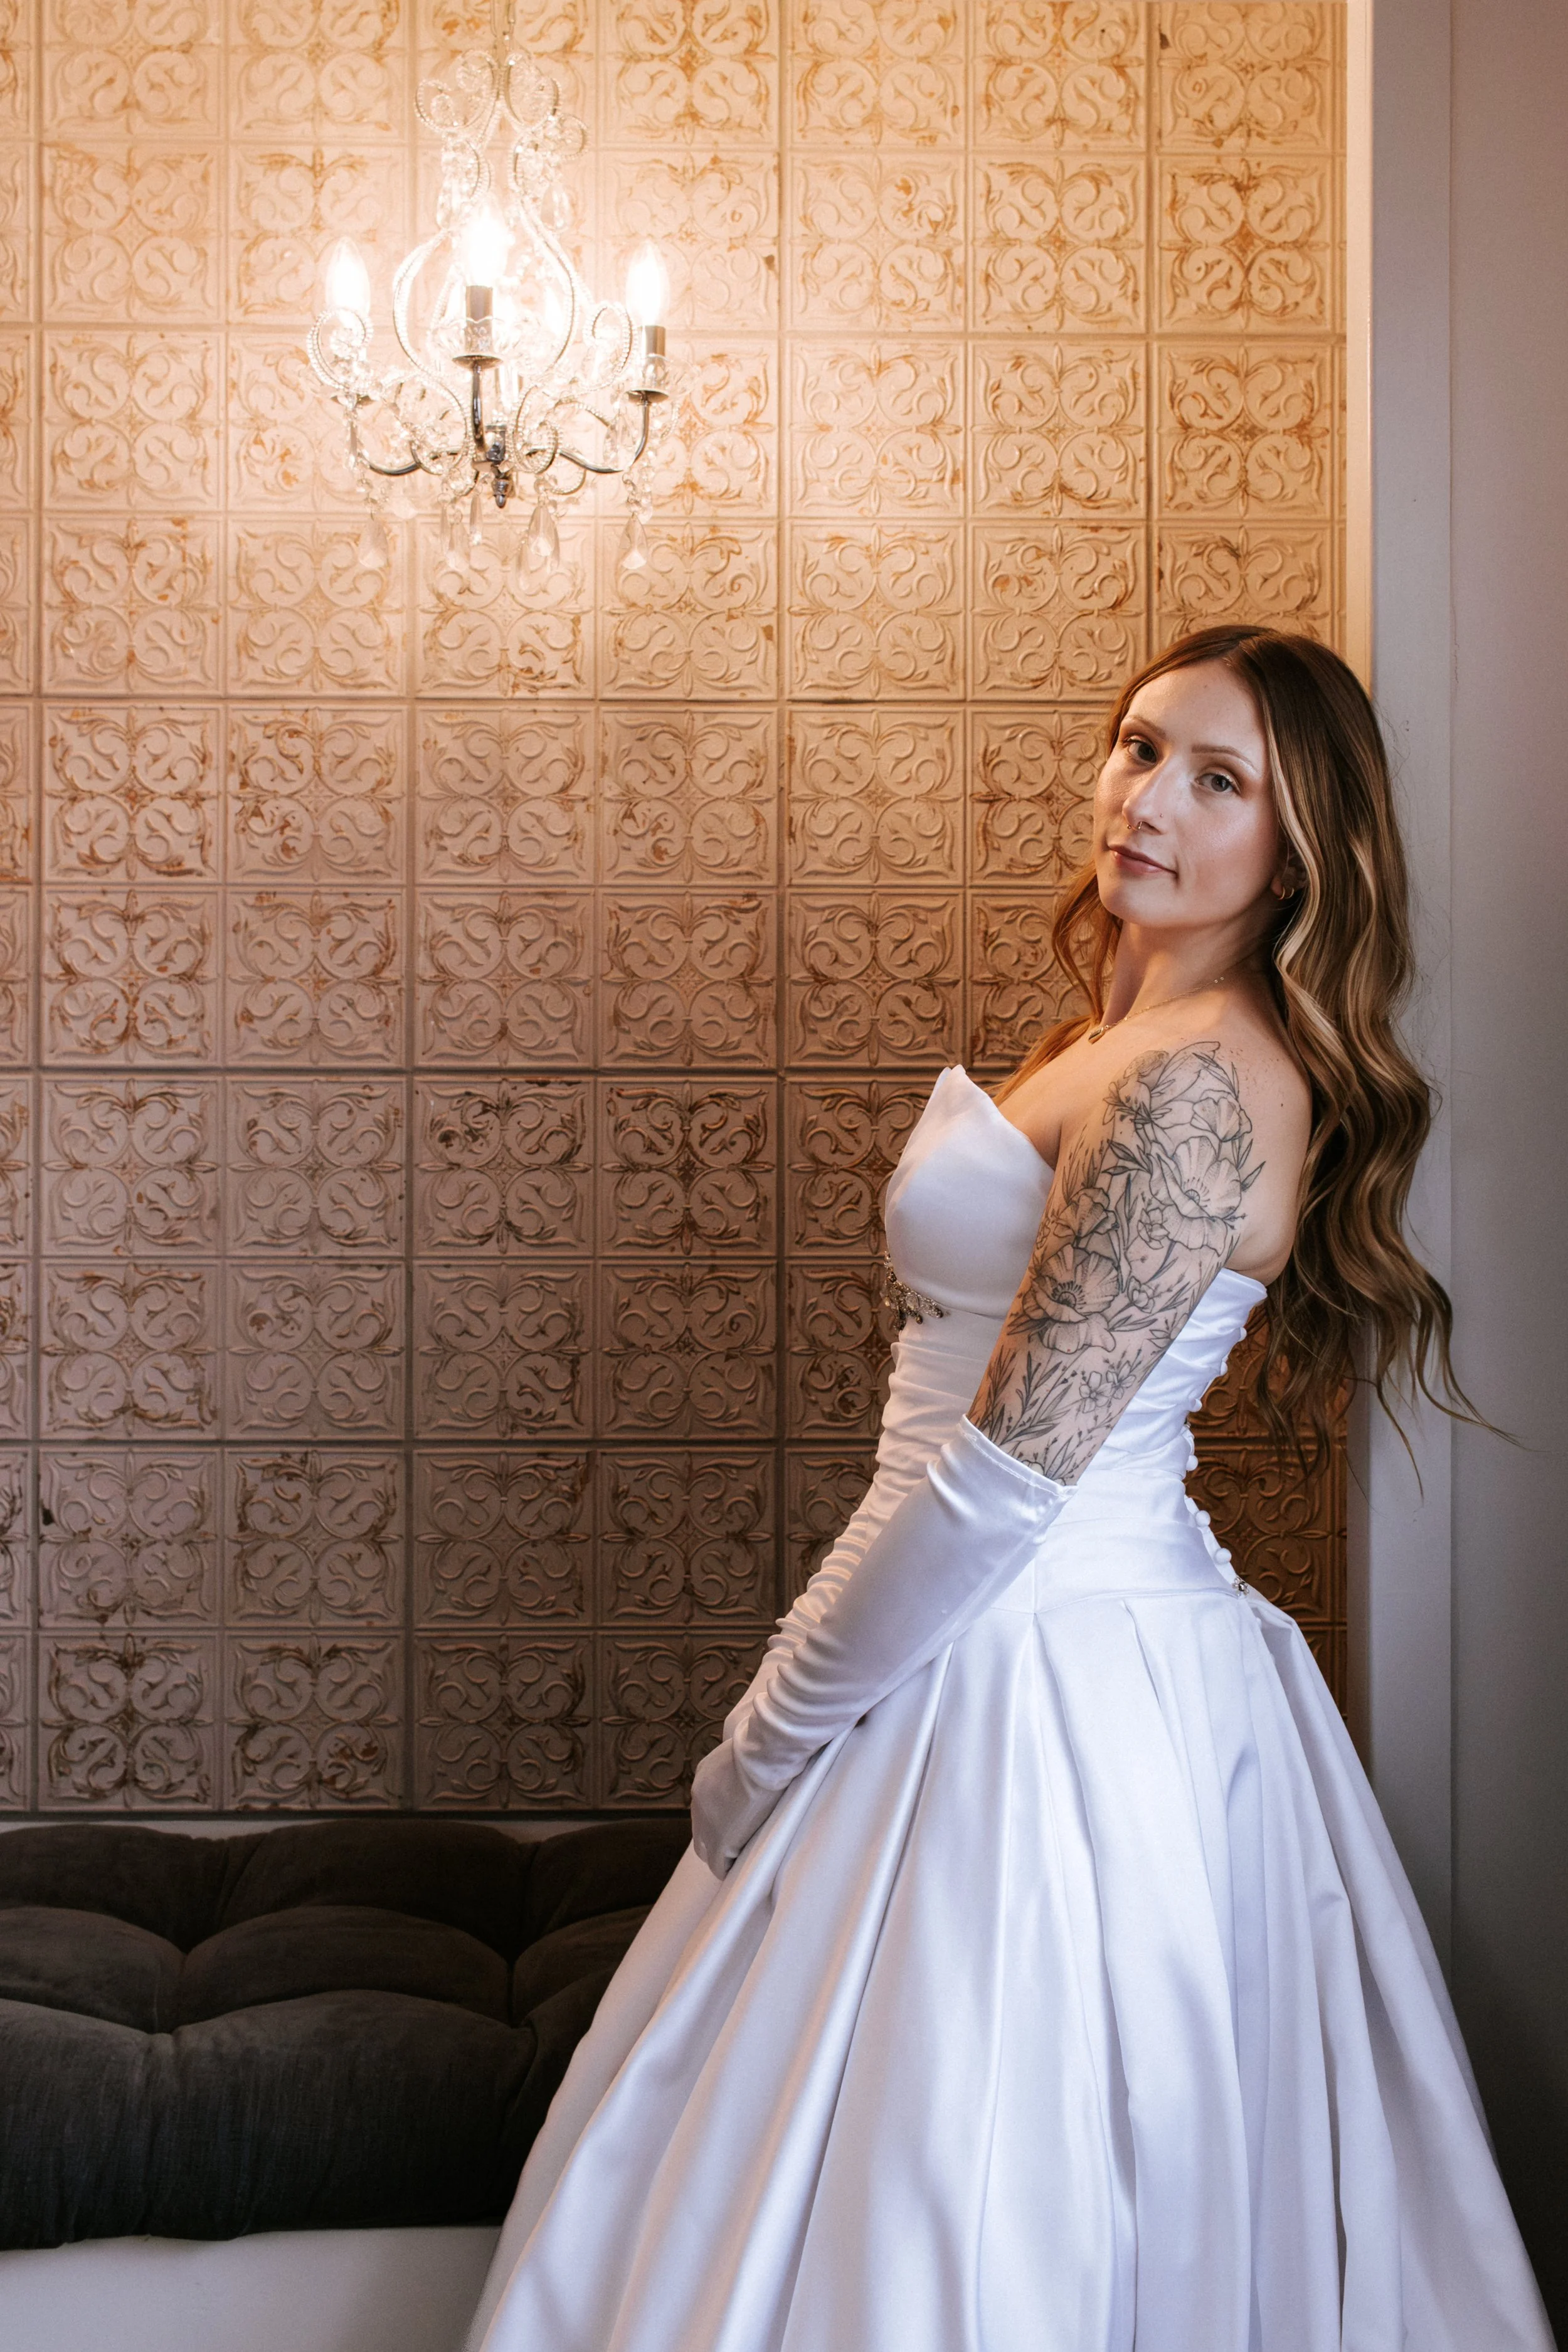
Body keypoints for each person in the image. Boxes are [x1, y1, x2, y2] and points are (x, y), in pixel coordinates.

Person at [466, 627, 1554, 2352]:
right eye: (1138, 748)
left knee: (988, 2179)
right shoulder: (1132, 1029)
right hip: (979, 1629)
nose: (1149, 800)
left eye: (1219, 780)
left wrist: (768, 1731)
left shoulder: (1194, 1086)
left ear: (1298, 849)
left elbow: (999, 1479)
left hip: (1034, 1653)